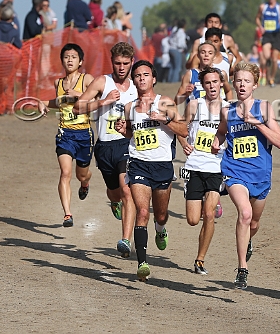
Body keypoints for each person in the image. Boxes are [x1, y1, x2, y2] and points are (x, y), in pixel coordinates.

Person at [211, 61, 280, 289]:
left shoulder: (264, 109)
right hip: (235, 172)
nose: (242, 85)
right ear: (233, 83)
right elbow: (221, 133)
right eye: (238, 81)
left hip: (261, 174)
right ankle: (242, 268)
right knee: (244, 214)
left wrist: (257, 124)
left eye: (247, 81)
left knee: (253, 221)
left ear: (255, 85)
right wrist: (216, 142)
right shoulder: (227, 111)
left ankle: (249, 240)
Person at [114, 61, 187, 281]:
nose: (141, 79)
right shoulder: (129, 107)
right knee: (143, 212)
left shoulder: (165, 102)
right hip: (138, 164)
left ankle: (160, 228)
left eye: (146, 75)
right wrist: (123, 130)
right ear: (133, 80)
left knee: (161, 214)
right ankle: (142, 263)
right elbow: (132, 135)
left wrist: (164, 120)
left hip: (162, 165)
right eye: (137, 76)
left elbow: (183, 129)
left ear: (153, 79)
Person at [74, 42, 138, 257]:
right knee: (115, 192)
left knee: (127, 189)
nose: (121, 67)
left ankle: (125, 240)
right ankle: (113, 202)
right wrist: (104, 101)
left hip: (127, 144)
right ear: (112, 62)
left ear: (132, 63)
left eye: (125, 63)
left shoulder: (137, 86)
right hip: (104, 146)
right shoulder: (102, 81)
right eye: (117, 63)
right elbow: (78, 106)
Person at [179, 67, 229, 275]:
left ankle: (200, 259)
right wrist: (183, 143)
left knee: (209, 214)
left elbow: (234, 135)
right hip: (194, 165)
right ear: (203, 86)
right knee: (192, 219)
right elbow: (180, 128)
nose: (212, 86)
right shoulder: (194, 105)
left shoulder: (228, 108)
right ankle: (202, 199)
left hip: (216, 167)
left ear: (221, 84)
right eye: (207, 83)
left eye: (215, 82)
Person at [38, 44, 95, 227]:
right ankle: (67, 214)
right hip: (65, 135)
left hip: (84, 135)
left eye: (73, 57)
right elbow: (60, 102)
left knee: (82, 175)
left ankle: (85, 184)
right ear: (62, 60)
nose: (70, 60)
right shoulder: (58, 83)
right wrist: (43, 102)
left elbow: (98, 101)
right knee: (65, 173)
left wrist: (80, 95)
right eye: (66, 57)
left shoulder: (87, 80)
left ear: (80, 61)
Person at [256, 0, 280, 87]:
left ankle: (272, 78)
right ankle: (266, 75)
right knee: (266, 56)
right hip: (266, 35)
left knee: (275, 59)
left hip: (276, 35)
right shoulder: (263, 7)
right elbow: (257, 18)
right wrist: (260, 27)